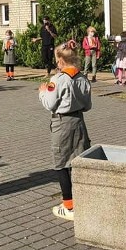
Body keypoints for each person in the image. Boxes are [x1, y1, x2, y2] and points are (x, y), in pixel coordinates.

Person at [38, 40, 92, 221]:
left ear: (60, 61)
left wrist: (42, 92)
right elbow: (87, 105)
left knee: (61, 164)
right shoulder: (82, 78)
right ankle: (83, 198)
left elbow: (50, 104)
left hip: (62, 123)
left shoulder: (57, 80)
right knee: (78, 160)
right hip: (79, 121)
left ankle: (68, 205)